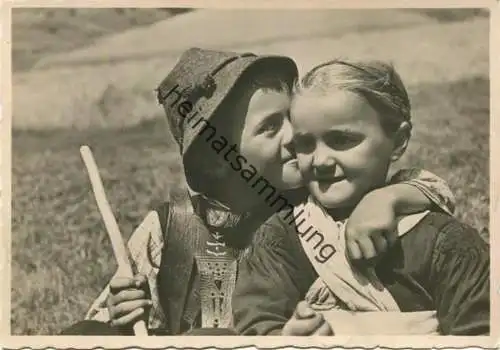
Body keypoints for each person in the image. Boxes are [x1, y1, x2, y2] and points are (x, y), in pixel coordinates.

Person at [61, 49, 456, 336]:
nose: (295, 137)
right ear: (218, 159)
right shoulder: (169, 228)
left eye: (291, 118)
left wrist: (386, 199)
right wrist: (120, 314)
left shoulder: (320, 200)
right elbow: (130, 321)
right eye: (270, 128)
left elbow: (432, 188)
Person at [232, 59, 489, 336]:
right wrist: (286, 337)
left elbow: (479, 332)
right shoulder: (280, 237)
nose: (320, 161)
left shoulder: (446, 243)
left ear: (399, 141)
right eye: (304, 144)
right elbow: (255, 324)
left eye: (342, 140)